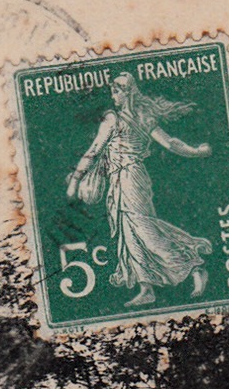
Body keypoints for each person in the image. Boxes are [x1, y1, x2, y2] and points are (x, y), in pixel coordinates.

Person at [66, 72, 212, 307]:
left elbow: (169, 142)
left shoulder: (124, 118)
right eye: (112, 91)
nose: (114, 96)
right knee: (129, 234)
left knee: (145, 230)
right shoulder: (125, 117)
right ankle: (146, 288)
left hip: (131, 178)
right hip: (118, 181)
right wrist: (195, 151)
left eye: (118, 91)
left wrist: (75, 181)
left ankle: (194, 268)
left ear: (129, 92)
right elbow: (96, 151)